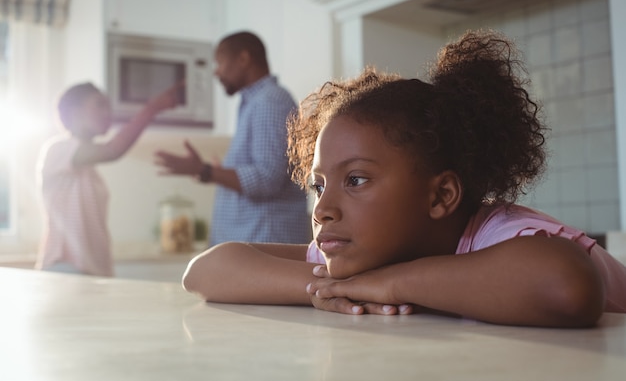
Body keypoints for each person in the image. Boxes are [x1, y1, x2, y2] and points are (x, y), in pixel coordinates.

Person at [180, 29, 626, 328]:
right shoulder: (366, 252)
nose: (322, 209)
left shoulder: (502, 236)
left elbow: (567, 286)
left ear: (441, 195)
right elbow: (206, 271)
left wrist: (389, 283)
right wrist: (322, 289)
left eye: (355, 180)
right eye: (319, 185)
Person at [154, 31, 310, 246]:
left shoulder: (269, 101)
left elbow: (267, 179)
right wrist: (216, 171)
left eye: (219, 62)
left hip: (264, 245)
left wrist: (205, 170)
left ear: (243, 59)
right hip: (254, 246)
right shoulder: (255, 102)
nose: (216, 72)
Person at [35, 81, 181, 276]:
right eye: (99, 104)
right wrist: (151, 109)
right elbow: (112, 150)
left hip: (91, 272)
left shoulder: (90, 172)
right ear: (74, 111)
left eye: (108, 106)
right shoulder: (58, 150)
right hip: (64, 266)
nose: (108, 112)